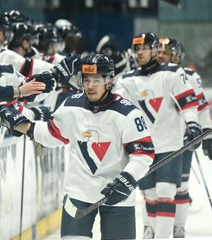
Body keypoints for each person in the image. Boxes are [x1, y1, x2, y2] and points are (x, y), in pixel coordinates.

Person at [10, 53, 155, 239]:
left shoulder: (128, 113)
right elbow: (53, 135)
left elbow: (143, 155)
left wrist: (128, 178)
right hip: (78, 193)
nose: (90, 85)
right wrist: (26, 127)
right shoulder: (71, 106)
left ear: (109, 82)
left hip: (118, 196)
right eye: (86, 80)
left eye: (96, 80)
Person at [114, 32, 201, 238]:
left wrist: (193, 124)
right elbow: (114, 109)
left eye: (144, 48)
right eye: (136, 49)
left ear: (154, 50)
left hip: (170, 144)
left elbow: (188, 103)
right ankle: (153, 230)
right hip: (143, 149)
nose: (139, 53)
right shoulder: (127, 80)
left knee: (165, 191)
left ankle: (163, 237)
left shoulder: (172, 73)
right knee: (150, 195)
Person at [156, 37, 212, 238]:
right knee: (154, 189)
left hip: (182, 140)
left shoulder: (189, 76)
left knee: (180, 186)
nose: (161, 56)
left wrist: (208, 133)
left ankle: (178, 226)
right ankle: (153, 227)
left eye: (166, 53)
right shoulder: (150, 76)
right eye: (159, 53)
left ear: (177, 56)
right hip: (157, 140)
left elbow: (201, 107)